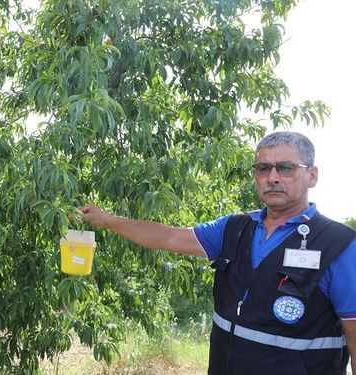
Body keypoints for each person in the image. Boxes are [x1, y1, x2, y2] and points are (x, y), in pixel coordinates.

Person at [81, 131, 356, 375]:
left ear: (312, 175)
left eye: (285, 168)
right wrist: (106, 220)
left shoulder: (339, 245)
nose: (272, 177)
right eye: (263, 168)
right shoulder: (234, 228)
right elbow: (168, 236)